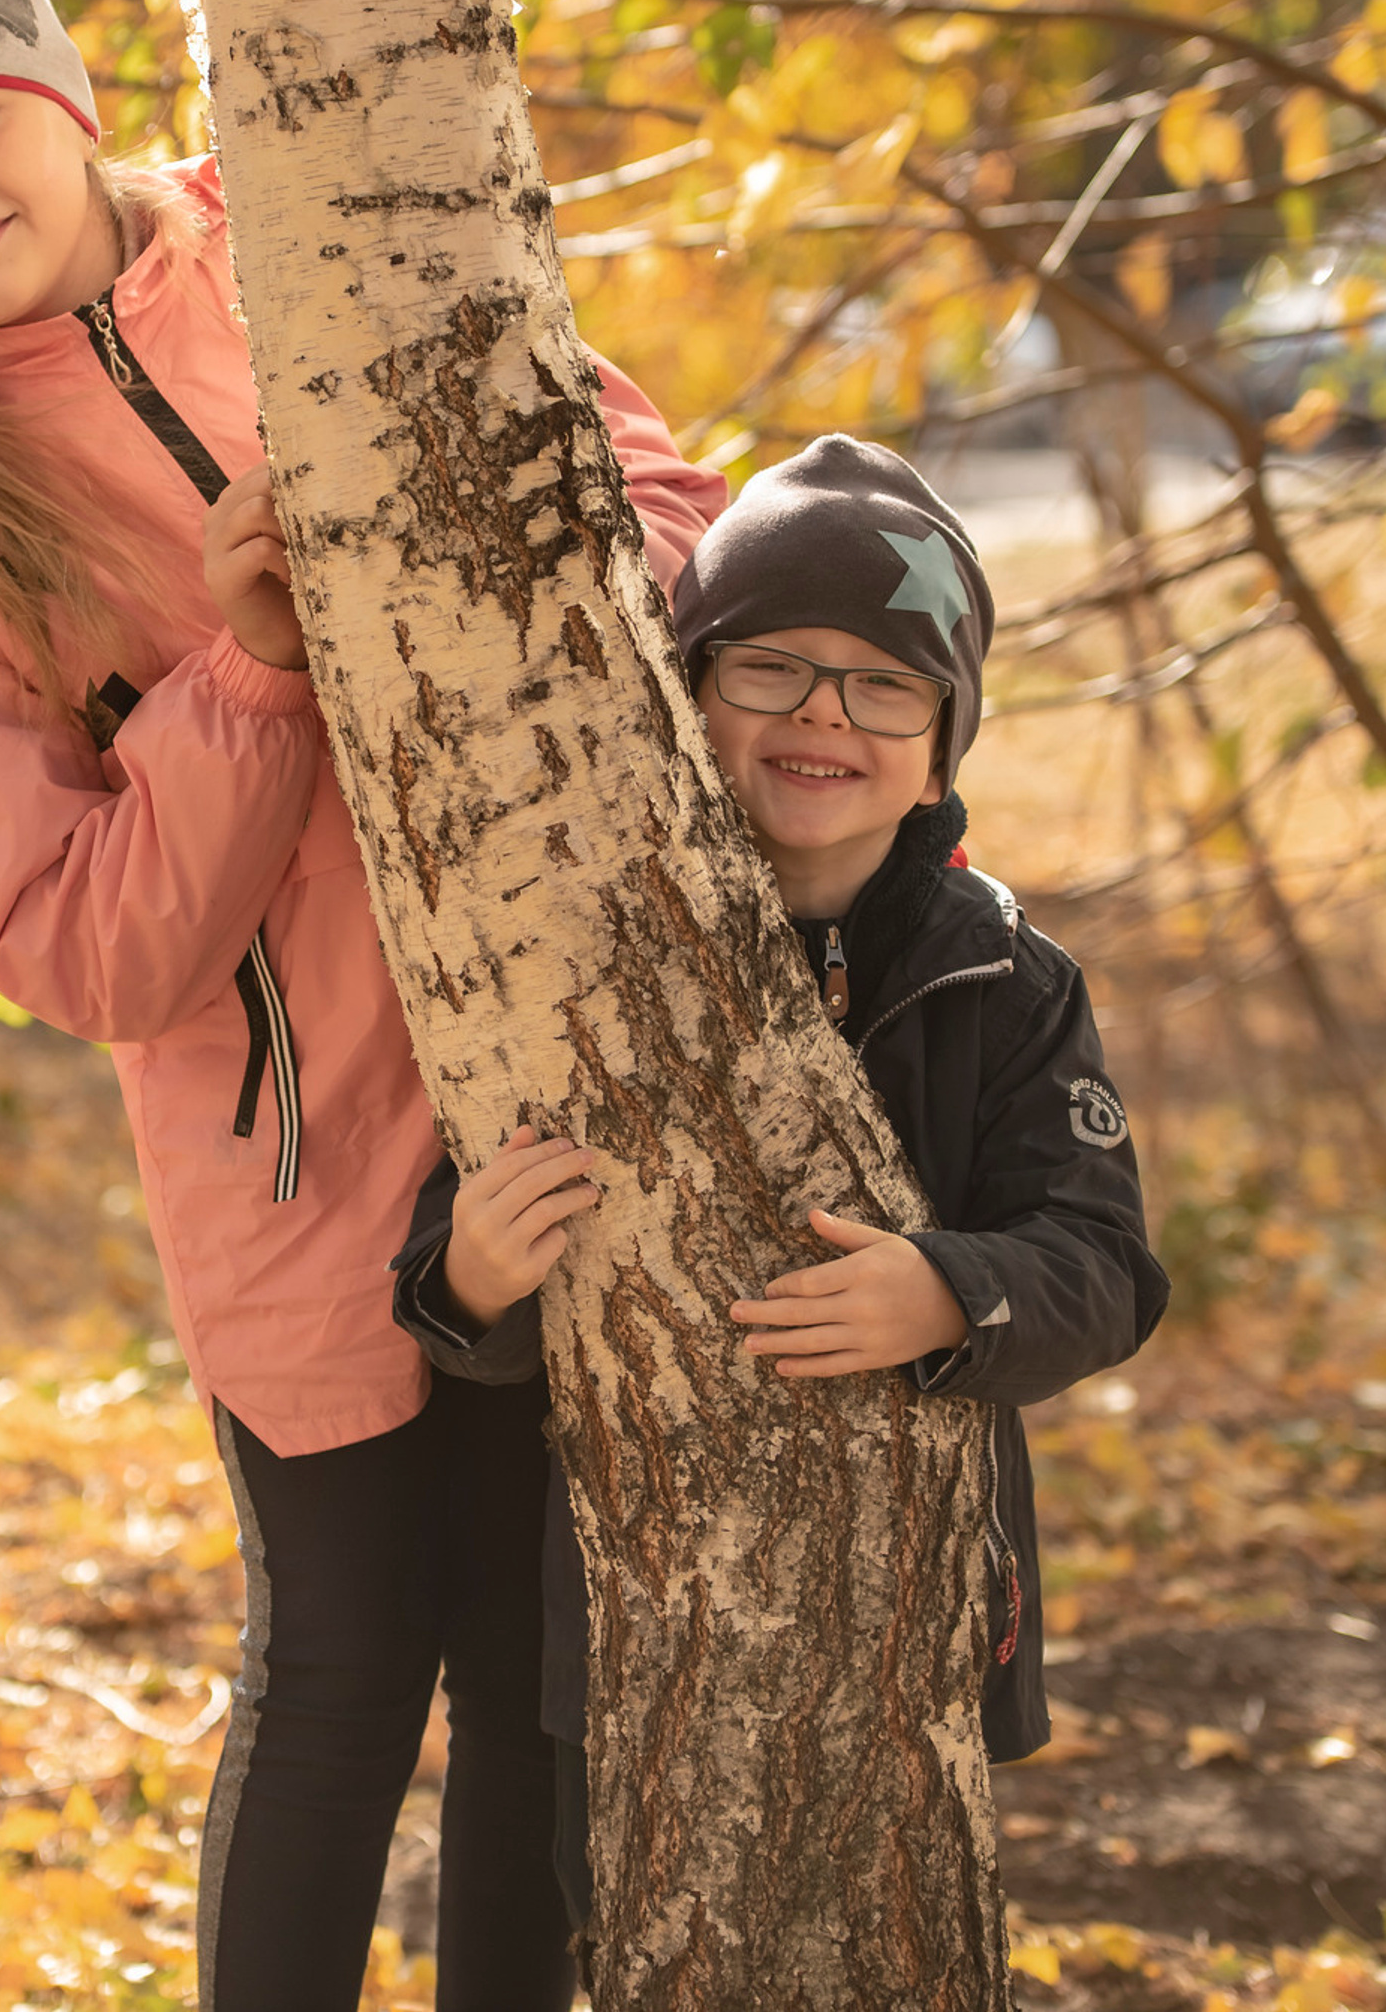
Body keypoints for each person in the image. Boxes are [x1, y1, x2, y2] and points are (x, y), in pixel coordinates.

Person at [0, 0, 729, 2011]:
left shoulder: (312, 221)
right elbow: (81, 948)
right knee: (352, 1666)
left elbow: (640, 473)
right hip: (291, 1165)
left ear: (59, 91)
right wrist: (252, 673)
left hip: (560, 1061)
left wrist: (572, 596)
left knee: (540, 1682)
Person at [390, 434, 1170, 1935]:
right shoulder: (584, 960)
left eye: (886, 683)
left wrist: (951, 1287)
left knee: (867, 1918)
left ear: (945, 742)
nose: (824, 713)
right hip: (632, 1601)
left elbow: (1104, 1262)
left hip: (905, 1599)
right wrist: (471, 1276)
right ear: (689, 694)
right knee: (625, 1910)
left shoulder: (1005, 979)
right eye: (771, 668)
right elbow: (450, 1263)